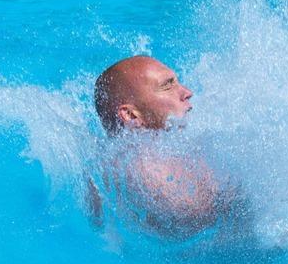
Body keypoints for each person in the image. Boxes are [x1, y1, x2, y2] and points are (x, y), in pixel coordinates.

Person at [91, 55, 223, 239]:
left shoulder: (162, 151)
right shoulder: (145, 171)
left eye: (177, 83)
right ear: (130, 115)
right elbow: (205, 218)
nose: (187, 92)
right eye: (167, 86)